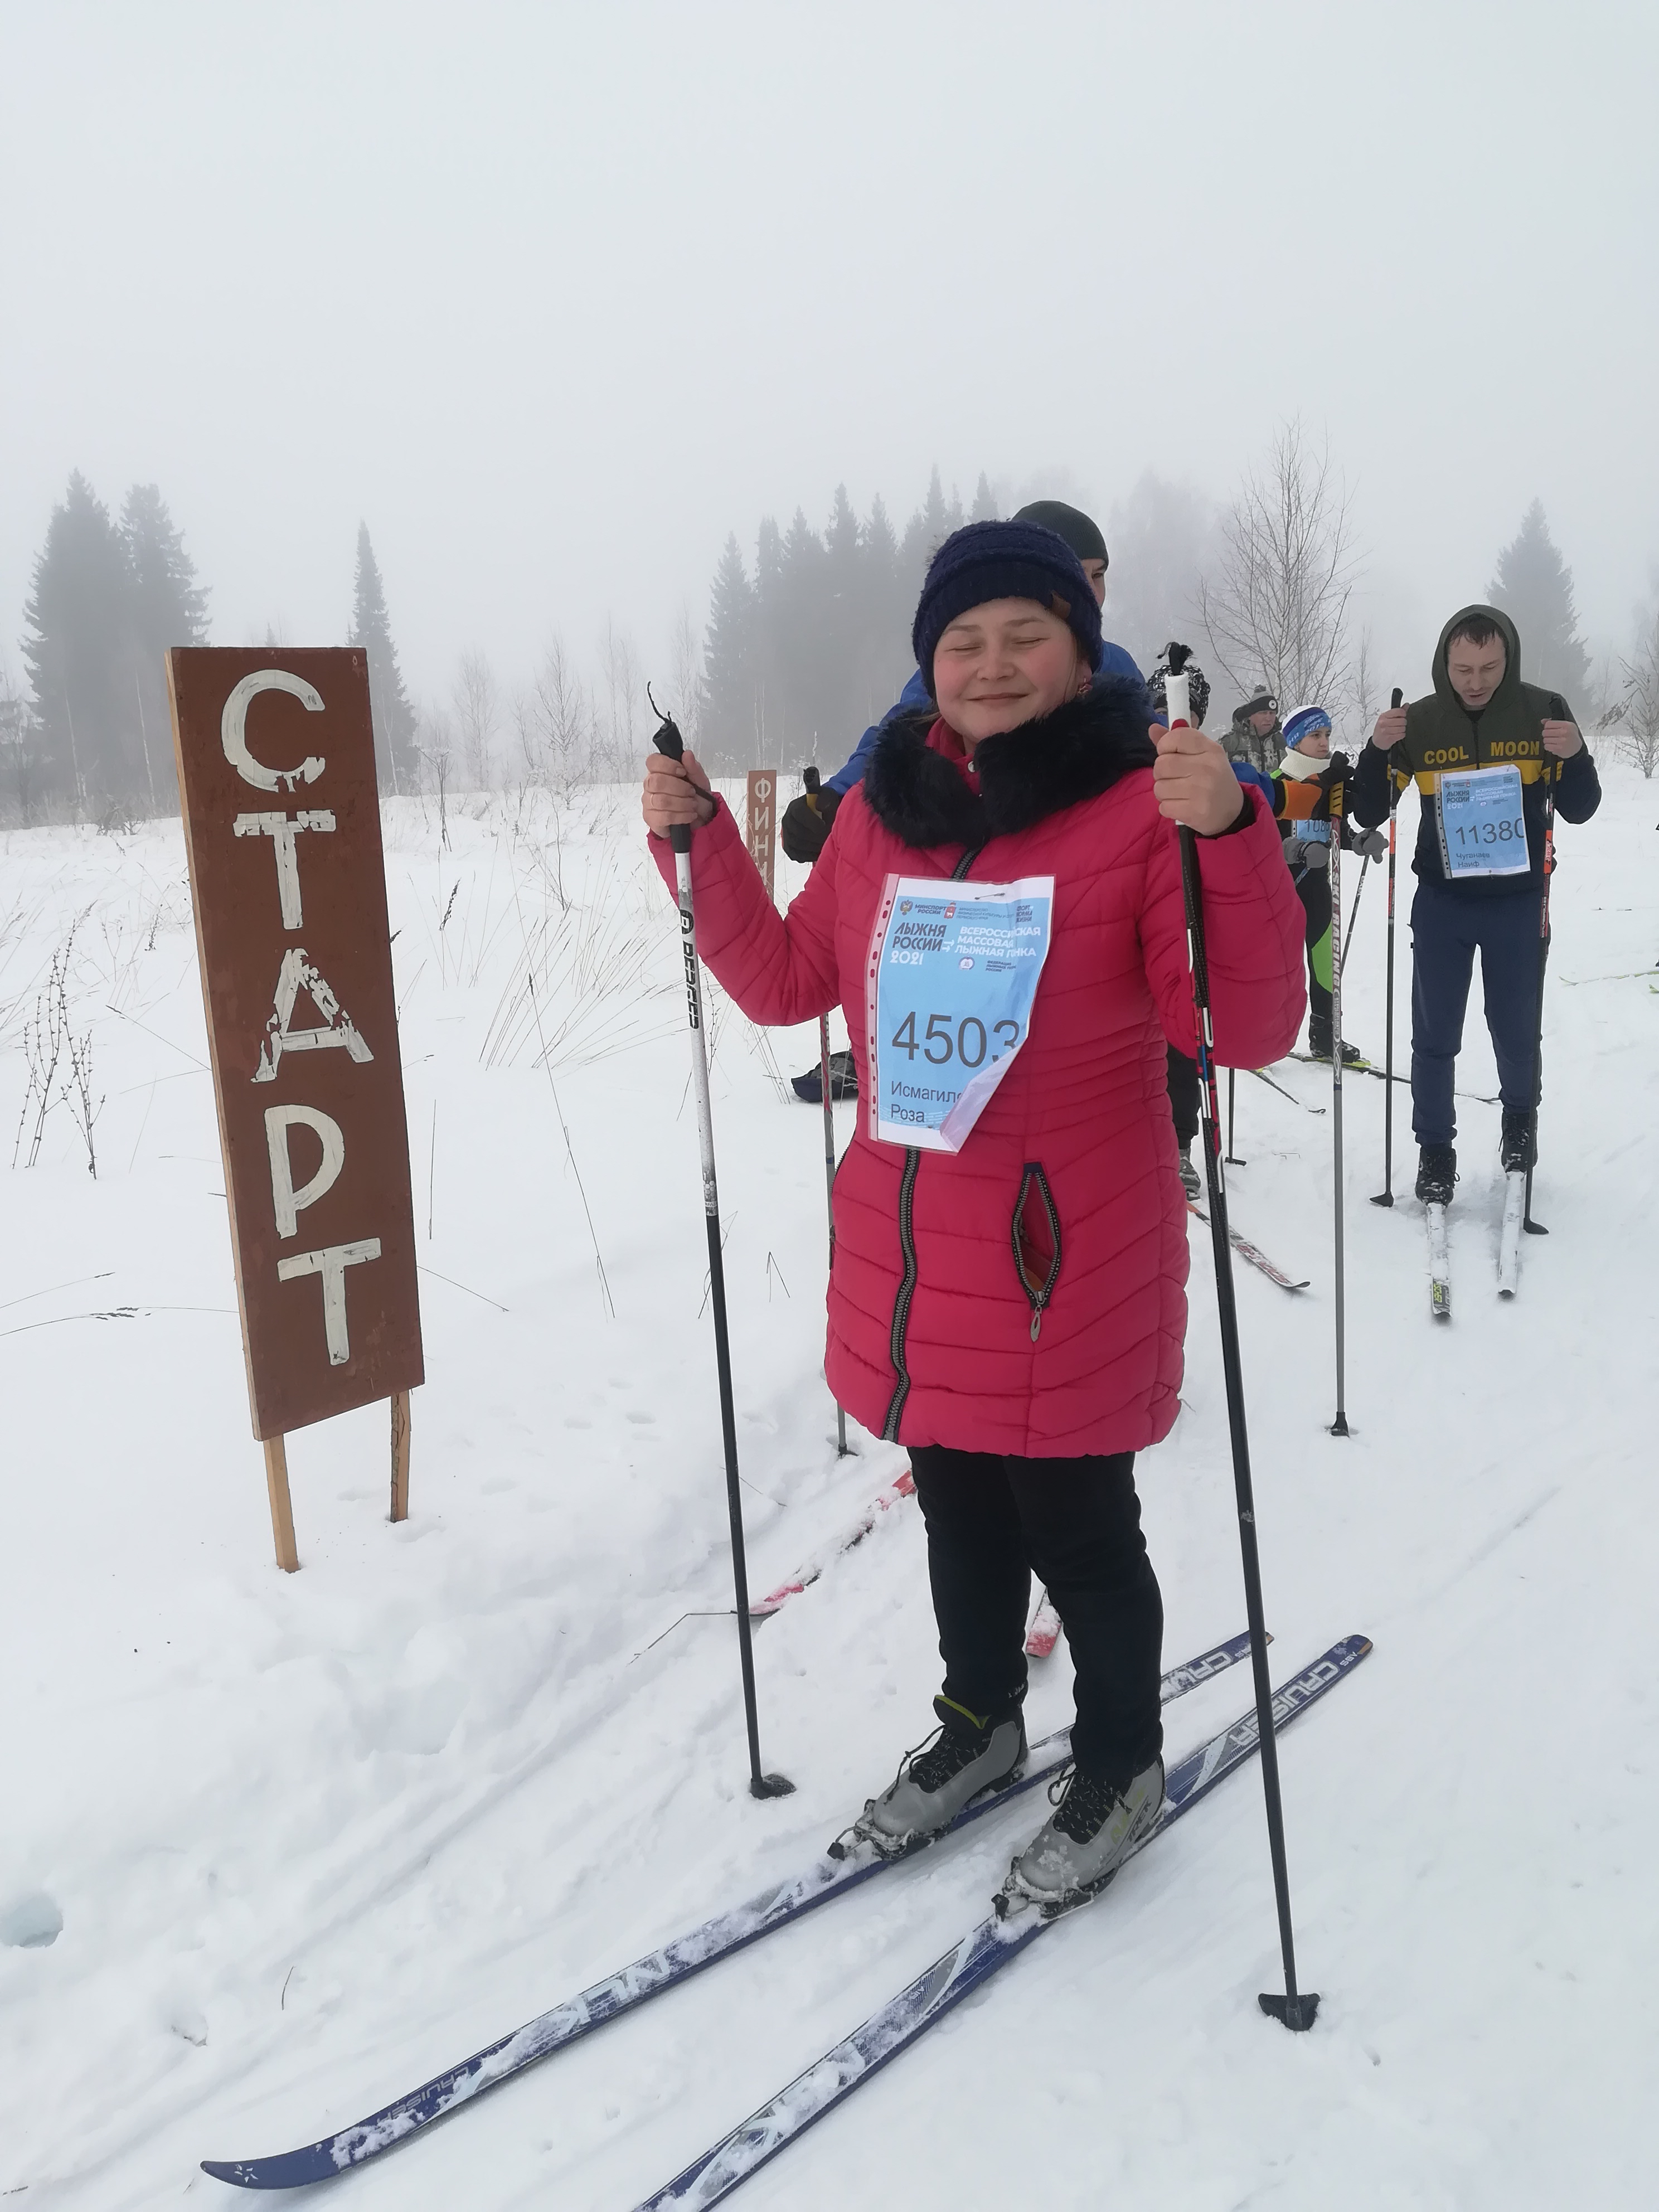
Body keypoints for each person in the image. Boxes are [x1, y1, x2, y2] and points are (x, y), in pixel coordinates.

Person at [642, 519, 1305, 1911]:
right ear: (928, 661)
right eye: (964, 641)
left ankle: (1119, 1762)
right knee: (958, 1511)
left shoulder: (1141, 804)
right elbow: (788, 981)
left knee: (1080, 1530)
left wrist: (1232, 836)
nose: (992, 664)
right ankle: (981, 1716)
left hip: (1067, 1252)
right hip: (917, 1248)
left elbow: (1238, 1027)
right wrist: (700, 844)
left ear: (1079, 651)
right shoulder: (885, 812)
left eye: (1025, 636)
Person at [783, 498, 1147, 1106]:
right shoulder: (962, 664)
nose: (1090, 589)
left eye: (1098, 575)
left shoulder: (1116, 668)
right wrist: (839, 796)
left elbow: (1161, 750)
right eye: (1075, 571)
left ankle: (1174, 1127)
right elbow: (901, 734)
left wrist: (1239, 802)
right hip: (970, 879)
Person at [1351, 604, 1600, 1204]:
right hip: (1444, 903)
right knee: (1435, 1034)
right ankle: (1435, 1149)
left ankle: (1519, 1124)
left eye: (1489, 667)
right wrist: (1378, 750)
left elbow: (1580, 807)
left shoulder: (1544, 710)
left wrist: (1576, 753)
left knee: (1515, 1029)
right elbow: (1369, 810)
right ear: (1445, 662)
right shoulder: (1420, 722)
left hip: (1518, 901)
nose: (1476, 681)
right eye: (1463, 669)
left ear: (1508, 658)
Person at [1272, 704, 1386, 1063]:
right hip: (1279, 896)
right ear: (1295, 741)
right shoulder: (1278, 782)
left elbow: (1338, 832)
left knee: (1326, 967)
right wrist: (1298, 849)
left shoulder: (1331, 784)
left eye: (1327, 735)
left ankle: (1325, 1037)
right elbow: (1265, 842)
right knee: (1277, 972)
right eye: (1315, 736)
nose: (1324, 743)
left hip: (1318, 892)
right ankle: (1260, 1040)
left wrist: (1359, 841)